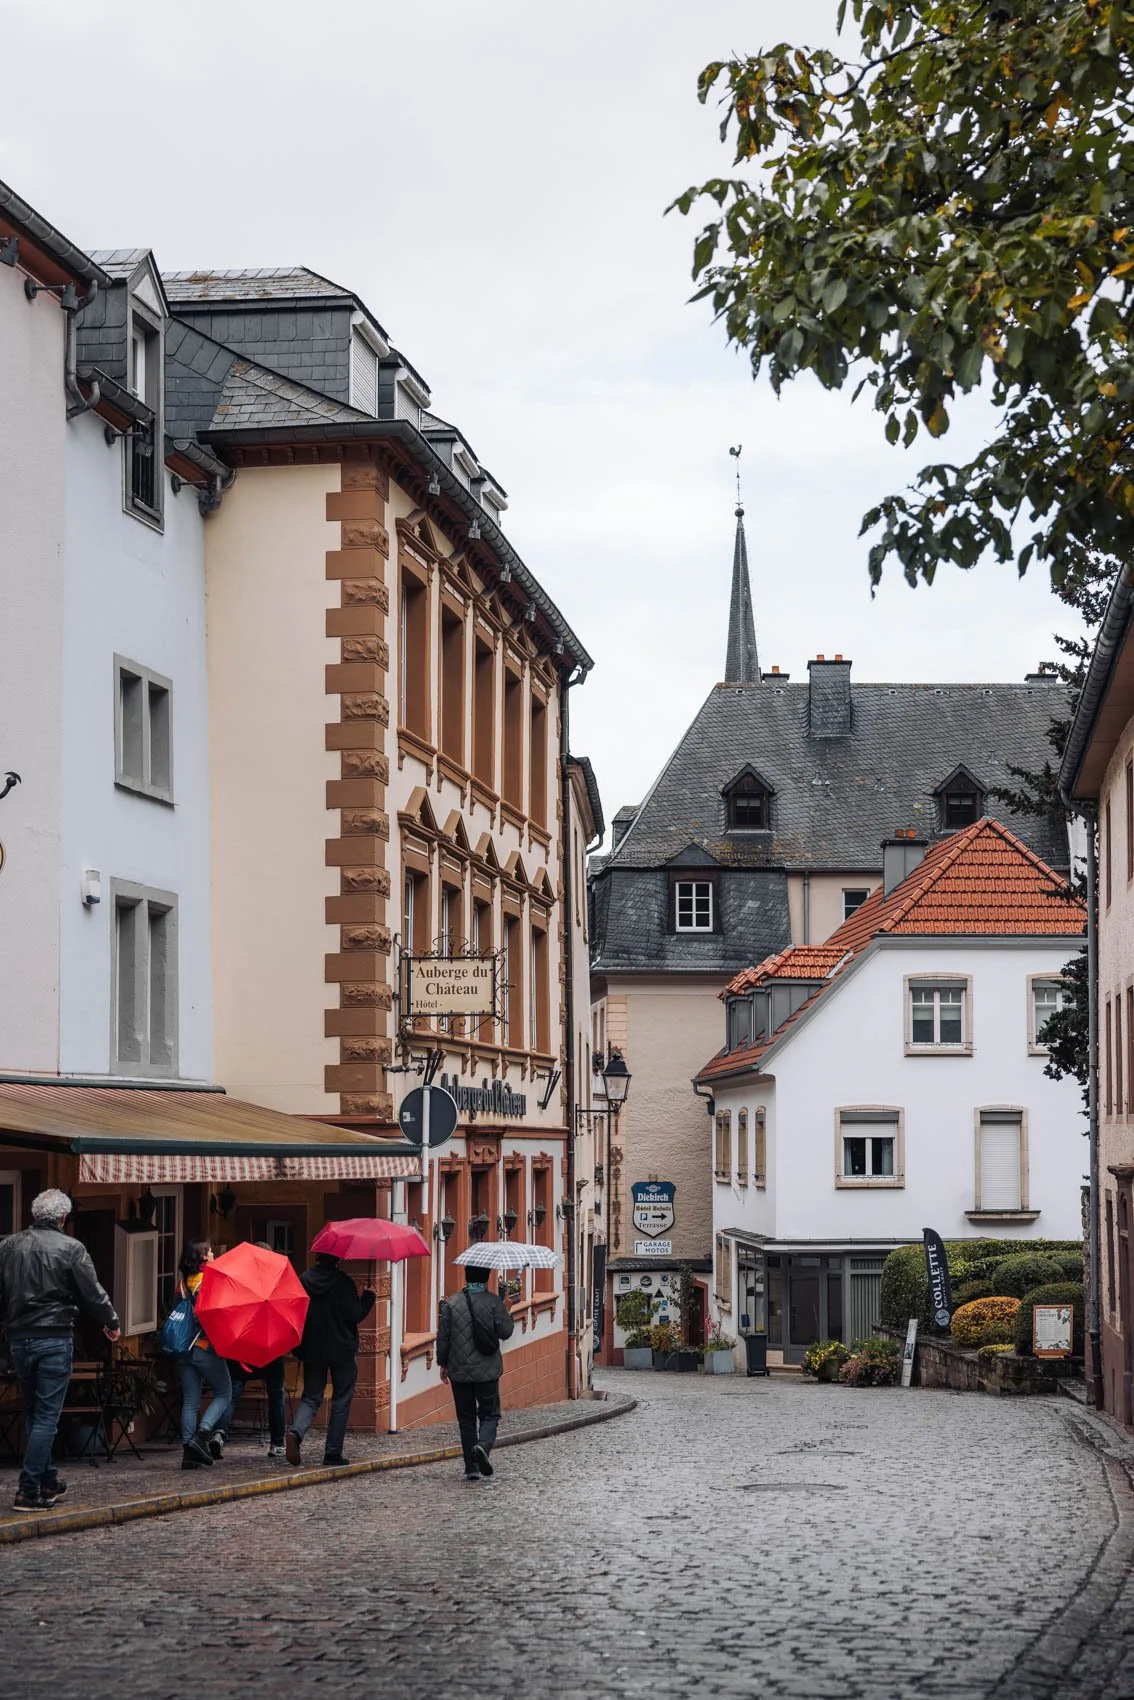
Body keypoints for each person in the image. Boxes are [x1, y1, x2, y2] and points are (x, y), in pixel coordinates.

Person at [0, 1188, 121, 1511]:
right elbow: (92, 1292)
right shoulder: (71, 1248)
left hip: (18, 1338)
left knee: (34, 1412)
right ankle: (28, 1489)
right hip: (53, 1337)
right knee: (47, 1416)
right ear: (63, 1218)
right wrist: (110, 1320)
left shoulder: (8, 1246)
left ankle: (47, 1479)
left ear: (35, 1214)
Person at [285, 1251, 374, 1467]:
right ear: (338, 1259)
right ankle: (332, 1452)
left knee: (311, 1396)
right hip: (341, 1350)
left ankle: (296, 1432)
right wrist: (368, 1298)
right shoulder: (343, 1283)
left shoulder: (304, 1280)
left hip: (313, 1349)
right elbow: (354, 1315)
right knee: (341, 1399)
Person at [437, 1264, 514, 1483]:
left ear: (466, 1276)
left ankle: (471, 1468)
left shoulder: (452, 1303)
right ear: (487, 1277)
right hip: (487, 1370)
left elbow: (443, 1337)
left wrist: (443, 1363)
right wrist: (506, 1309)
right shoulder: (493, 1303)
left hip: (459, 1370)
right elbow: (506, 1332)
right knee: (490, 1415)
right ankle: (482, 1447)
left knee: (466, 1418)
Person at [176, 1240, 232, 1470]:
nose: (212, 1253)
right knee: (224, 1392)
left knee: (190, 1401)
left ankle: (188, 1451)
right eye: (209, 1251)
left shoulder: (182, 1283)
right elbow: (212, 1316)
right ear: (202, 1257)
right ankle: (201, 1435)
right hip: (203, 1346)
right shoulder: (209, 1281)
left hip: (182, 1348)